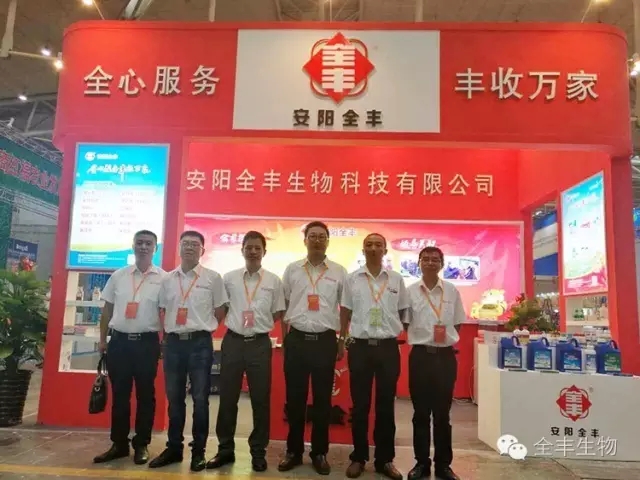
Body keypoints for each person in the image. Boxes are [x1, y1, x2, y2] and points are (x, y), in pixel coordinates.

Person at [149, 230, 228, 472]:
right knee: (174, 399)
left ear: (203, 250)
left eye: (195, 244)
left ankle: (198, 451)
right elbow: (162, 309)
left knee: (200, 399)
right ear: (179, 248)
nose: (190, 247)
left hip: (199, 344)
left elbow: (220, 310)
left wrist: (205, 328)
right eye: (186, 243)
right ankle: (174, 448)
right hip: (173, 344)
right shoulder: (167, 279)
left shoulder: (213, 278)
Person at [206, 231, 286, 472]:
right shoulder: (229, 278)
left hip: (259, 344)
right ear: (242, 250)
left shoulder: (274, 281)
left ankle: (258, 452)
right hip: (233, 341)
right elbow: (222, 307)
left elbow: (278, 312)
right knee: (228, 398)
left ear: (264, 252)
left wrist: (258, 325)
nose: (253, 251)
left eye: (257, 248)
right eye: (248, 247)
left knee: (260, 400)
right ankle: (225, 450)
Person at [278, 221, 347, 475]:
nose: (317, 240)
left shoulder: (339, 271)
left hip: (325, 341)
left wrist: (342, 340)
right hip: (297, 340)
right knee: (295, 400)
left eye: (321, 237)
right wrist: (285, 338)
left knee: (322, 401)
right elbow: (283, 305)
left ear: (327, 241)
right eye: (312, 236)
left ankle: (319, 452)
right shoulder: (292, 269)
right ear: (305, 240)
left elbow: (345, 309)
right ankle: (294, 451)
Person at [339, 233, 408, 480]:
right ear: (363, 250)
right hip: (360, 347)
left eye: (378, 244)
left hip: (388, 348)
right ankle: (358, 457)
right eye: (369, 244)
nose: (373, 248)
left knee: (386, 405)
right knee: (360, 405)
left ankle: (384, 460)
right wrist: (342, 340)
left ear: (385, 250)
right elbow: (345, 311)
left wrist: (398, 332)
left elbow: (404, 312)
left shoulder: (396, 279)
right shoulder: (352, 279)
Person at [93, 230, 165, 465]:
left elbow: (167, 312)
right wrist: (102, 340)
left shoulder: (163, 279)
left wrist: (166, 342)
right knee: (120, 396)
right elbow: (107, 311)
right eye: (139, 243)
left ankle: (142, 443)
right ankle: (119, 444)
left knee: (146, 395)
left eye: (148, 244)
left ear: (155, 248)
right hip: (119, 343)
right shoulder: (119, 276)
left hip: (147, 344)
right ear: (133, 246)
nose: (143, 247)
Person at [404, 246, 464, 480]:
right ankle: (421, 463)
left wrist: (443, 340)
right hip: (420, 356)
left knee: (442, 415)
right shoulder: (409, 292)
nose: (430, 262)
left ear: (442, 264)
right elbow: (405, 323)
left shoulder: (451, 291)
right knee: (420, 413)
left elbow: (457, 323)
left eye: (435, 259)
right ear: (419, 263)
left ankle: (443, 465)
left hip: (444, 358)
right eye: (426, 259)